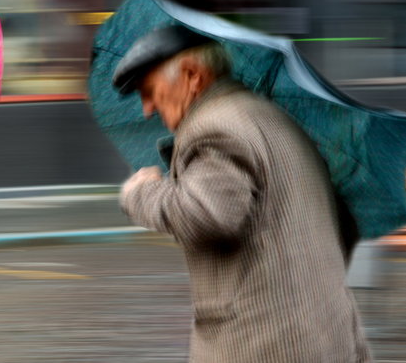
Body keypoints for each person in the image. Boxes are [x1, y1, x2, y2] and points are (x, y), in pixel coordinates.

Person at [114, 26, 371, 362]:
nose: (147, 108)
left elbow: (206, 217)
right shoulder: (274, 117)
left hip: (263, 345)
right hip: (331, 334)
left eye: (150, 91)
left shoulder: (214, 125)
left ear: (192, 75)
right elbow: (344, 225)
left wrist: (141, 193)